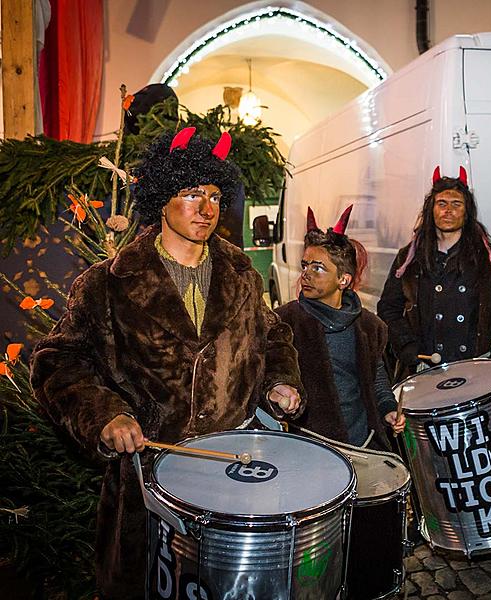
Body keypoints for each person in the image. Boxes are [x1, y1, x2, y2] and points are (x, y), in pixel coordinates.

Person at [29, 127, 303, 600]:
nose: (206, 208)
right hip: (148, 483)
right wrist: (105, 415)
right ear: (161, 198)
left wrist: (278, 382)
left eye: (214, 195)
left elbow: (272, 336)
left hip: (233, 474)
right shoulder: (108, 285)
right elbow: (59, 362)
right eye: (191, 194)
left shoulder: (240, 273)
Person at [275, 206, 401, 449]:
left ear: (343, 279)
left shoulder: (369, 326)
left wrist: (388, 409)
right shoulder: (284, 322)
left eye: (318, 268)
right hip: (311, 452)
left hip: (364, 446)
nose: (306, 275)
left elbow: (377, 379)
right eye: (305, 265)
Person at [377, 167, 491, 378]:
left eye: (456, 204)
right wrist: (405, 343)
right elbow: (388, 308)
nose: (448, 210)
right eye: (441, 203)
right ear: (431, 209)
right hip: (425, 371)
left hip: (476, 368)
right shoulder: (408, 259)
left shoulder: (488, 258)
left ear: (467, 211)